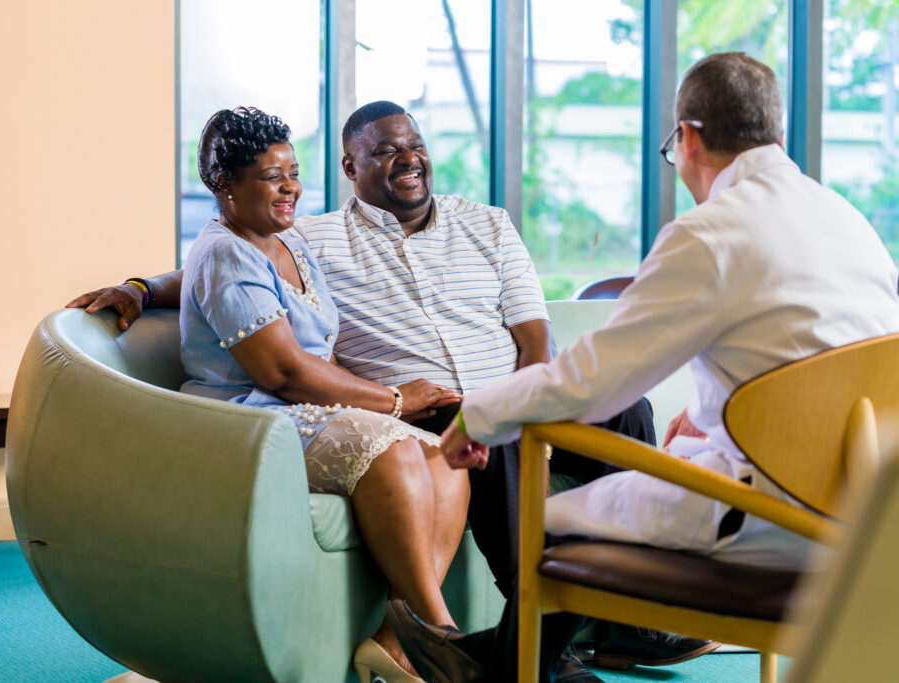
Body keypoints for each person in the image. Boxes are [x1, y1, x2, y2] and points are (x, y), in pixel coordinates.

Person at [69, 101, 713, 682]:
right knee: (490, 423)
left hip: (509, 393)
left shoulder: (487, 224)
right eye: (383, 150)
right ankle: (539, 651)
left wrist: (534, 399)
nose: (407, 159)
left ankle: (633, 623)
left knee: (627, 411)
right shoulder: (313, 236)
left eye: (414, 144)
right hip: (433, 410)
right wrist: (141, 288)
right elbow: (225, 266)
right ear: (350, 166)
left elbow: (533, 330)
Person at [386, 52, 899, 682]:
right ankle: (494, 662)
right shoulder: (847, 221)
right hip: (867, 508)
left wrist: (479, 417)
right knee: (641, 477)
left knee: (558, 522)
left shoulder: (712, 233)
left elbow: (590, 385)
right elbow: (825, 370)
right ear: (777, 134)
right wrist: (717, 417)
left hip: (774, 514)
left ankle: (499, 670)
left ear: (686, 138)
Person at [182, 106, 469, 683]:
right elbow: (282, 373)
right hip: (254, 420)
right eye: (271, 176)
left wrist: (143, 286)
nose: (290, 187)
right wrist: (393, 400)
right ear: (224, 185)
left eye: (293, 171)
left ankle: (394, 642)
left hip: (309, 410)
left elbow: (322, 352)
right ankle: (446, 643)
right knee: (393, 450)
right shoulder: (223, 252)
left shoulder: (288, 241)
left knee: (447, 457)